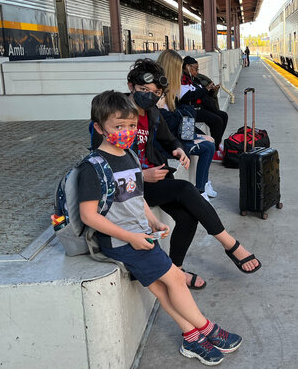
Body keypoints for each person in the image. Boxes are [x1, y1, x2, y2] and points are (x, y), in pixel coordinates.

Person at [79, 90, 242, 365]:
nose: (127, 132)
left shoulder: (129, 155)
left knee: (162, 289)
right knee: (177, 279)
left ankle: (191, 337)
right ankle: (206, 328)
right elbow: (88, 216)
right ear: (99, 127)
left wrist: (153, 221)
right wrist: (130, 237)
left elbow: (136, 196)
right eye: (118, 126)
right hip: (123, 241)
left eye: (131, 126)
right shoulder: (93, 167)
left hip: (138, 234)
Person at [92, 59, 261, 291]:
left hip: (155, 179)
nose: (149, 97)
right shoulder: (113, 117)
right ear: (130, 86)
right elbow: (102, 165)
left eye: (155, 93)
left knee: (187, 217)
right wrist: (143, 174)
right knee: (185, 189)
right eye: (143, 90)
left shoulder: (152, 113)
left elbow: (168, 138)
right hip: (129, 188)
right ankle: (230, 245)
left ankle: (176, 271)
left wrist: (178, 149)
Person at [157, 50, 217, 201]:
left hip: (174, 136)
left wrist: (196, 135)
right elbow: (167, 125)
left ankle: (203, 186)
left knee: (209, 141)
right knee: (207, 147)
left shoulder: (168, 91)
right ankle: (201, 189)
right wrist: (193, 138)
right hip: (165, 143)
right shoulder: (159, 94)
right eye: (178, 69)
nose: (181, 74)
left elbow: (175, 121)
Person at [180, 56, 228, 159]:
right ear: (187, 67)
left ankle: (217, 144)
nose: (197, 71)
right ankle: (214, 150)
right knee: (217, 120)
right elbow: (187, 96)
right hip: (191, 110)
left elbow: (201, 93)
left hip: (200, 107)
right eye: (195, 68)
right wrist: (205, 89)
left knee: (223, 116)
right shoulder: (181, 80)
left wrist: (211, 90)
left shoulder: (194, 79)